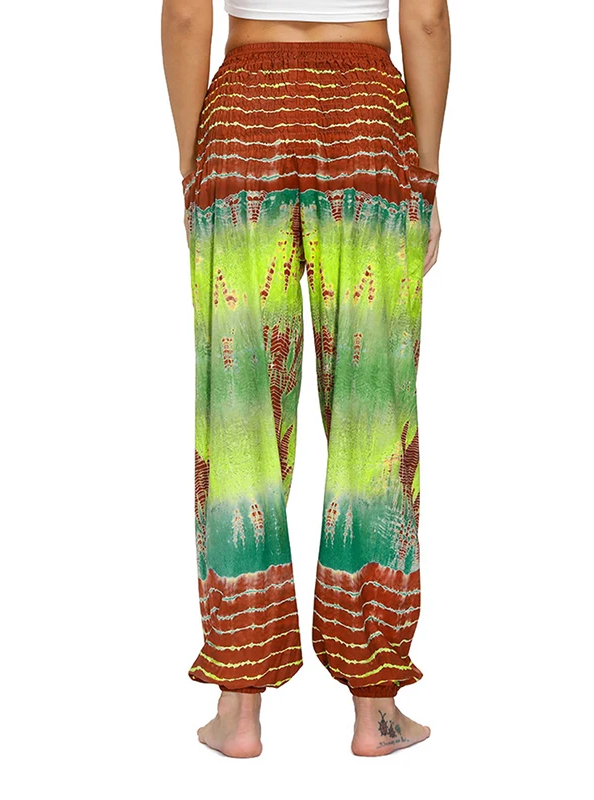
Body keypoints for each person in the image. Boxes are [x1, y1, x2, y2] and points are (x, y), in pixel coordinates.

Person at [161, 0, 451, 758]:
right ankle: (377, 708)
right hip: (367, 121)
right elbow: (425, 19)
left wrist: (193, 167)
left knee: (239, 414)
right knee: (373, 412)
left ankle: (239, 707)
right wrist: (425, 174)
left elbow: (187, 16)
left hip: (243, 118)